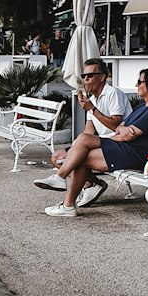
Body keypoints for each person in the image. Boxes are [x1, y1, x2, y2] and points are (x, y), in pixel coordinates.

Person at [43, 67, 148, 218]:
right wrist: (122, 131)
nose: (137, 85)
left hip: (138, 155)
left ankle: (62, 185)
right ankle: (67, 202)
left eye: (139, 81)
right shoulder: (143, 107)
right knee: (82, 149)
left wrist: (118, 133)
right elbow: (120, 128)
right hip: (126, 149)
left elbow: (127, 136)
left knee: (83, 146)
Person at [35, 59, 129, 203]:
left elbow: (115, 125)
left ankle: (61, 180)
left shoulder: (112, 94)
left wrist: (92, 109)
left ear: (102, 77)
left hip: (118, 143)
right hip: (102, 142)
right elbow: (88, 131)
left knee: (77, 159)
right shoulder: (92, 100)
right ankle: (90, 184)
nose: (85, 80)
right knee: (57, 157)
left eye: (89, 76)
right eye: (83, 76)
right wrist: (73, 150)